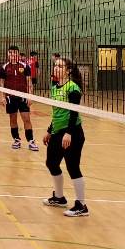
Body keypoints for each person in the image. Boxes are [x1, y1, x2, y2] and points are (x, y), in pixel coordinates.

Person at [42, 57, 87, 217]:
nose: (56, 68)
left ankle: (81, 205)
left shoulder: (73, 88)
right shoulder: (55, 87)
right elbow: (57, 112)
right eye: (55, 66)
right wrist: (50, 130)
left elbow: (73, 113)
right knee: (51, 163)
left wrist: (68, 133)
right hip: (57, 132)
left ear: (68, 71)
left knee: (72, 167)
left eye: (60, 66)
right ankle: (59, 198)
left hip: (72, 132)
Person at [0, 45, 36, 151]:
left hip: (23, 97)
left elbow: (29, 82)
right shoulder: (4, 67)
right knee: (13, 119)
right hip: (10, 98)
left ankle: (31, 141)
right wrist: (2, 97)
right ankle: (16, 140)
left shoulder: (25, 66)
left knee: (26, 119)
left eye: (15, 52)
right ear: (8, 54)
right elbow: (1, 83)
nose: (13, 54)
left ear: (18, 54)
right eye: (10, 52)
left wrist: (30, 96)